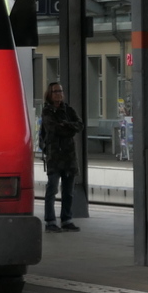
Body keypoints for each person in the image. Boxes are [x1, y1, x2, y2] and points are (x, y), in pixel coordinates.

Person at [39, 82, 83, 233]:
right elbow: (53, 128)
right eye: (55, 91)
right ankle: (50, 221)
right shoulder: (47, 111)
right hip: (54, 155)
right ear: (49, 94)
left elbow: (79, 125)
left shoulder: (68, 109)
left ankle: (66, 219)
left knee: (68, 190)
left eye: (60, 91)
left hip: (69, 156)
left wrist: (66, 125)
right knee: (52, 189)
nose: (59, 94)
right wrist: (68, 127)